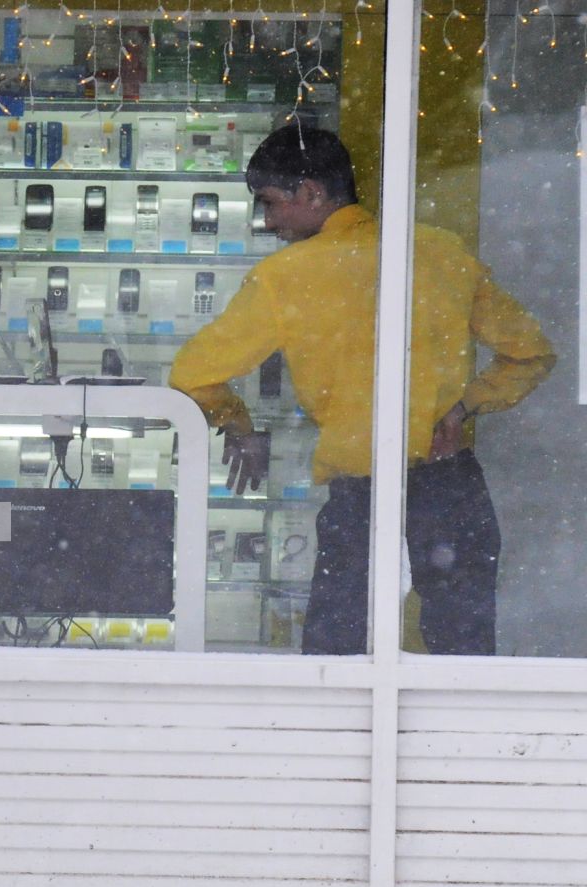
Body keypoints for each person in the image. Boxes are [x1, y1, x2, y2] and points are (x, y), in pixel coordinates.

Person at [170, 126, 554, 656]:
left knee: (338, 652)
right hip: (449, 481)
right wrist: (463, 407)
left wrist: (236, 423)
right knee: (463, 653)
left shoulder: (285, 277)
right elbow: (531, 351)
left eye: (270, 203)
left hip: (359, 491)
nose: (268, 221)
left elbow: (192, 373)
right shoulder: (439, 253)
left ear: (311, 193)